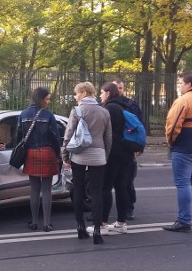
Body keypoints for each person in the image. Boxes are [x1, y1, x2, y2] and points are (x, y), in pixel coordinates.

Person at [61, 81, 111, 244]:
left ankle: (80, 227)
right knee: (97, 192)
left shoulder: (77, 110)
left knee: (78, 189)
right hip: (99, 155)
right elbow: (108, 137)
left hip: (79, 155)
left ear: (83, 92)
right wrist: (105, 154)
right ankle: (97, 230)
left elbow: (68, 134)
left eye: (76, 93)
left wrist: (65, 155)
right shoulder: (104, 112)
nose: (75, 97)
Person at [162, 71, 192, 232]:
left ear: (189, 84)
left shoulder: (183, 101)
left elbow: (173, 125)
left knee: (182, 184)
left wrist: (170, 141)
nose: (179, 86)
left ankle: (184, 221)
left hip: (184, 148)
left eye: (181, 83)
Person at [16, 87, 63, 232]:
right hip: (47, 152)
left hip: (31, 153)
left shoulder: (23, 114)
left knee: (34, 189)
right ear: (40, 99)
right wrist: (58, 155)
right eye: (47, 99)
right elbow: (55, 137)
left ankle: (34, 222)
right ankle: (47, 223)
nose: (48, 102)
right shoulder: (48, 115)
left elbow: (18, 137)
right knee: (47, 189)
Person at [95, 82, 134, 235]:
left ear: (108, 93)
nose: (100, 95)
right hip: (126, 152)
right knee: (121, 187)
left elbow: (104, 131)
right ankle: (121, 223)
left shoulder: (109, 109)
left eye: (102, 93)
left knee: (105, 187)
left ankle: (103, 224)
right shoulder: (125, 106)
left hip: (112, 151)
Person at [114, 77, 142, 220]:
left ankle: (129, 208)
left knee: (127, 180)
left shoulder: (131, 105)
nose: (118, 90)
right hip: (111, 147)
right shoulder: (103, 105)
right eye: (115, 88)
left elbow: (140, 126)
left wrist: (139, 146)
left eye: (120, 87)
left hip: (127, 147)